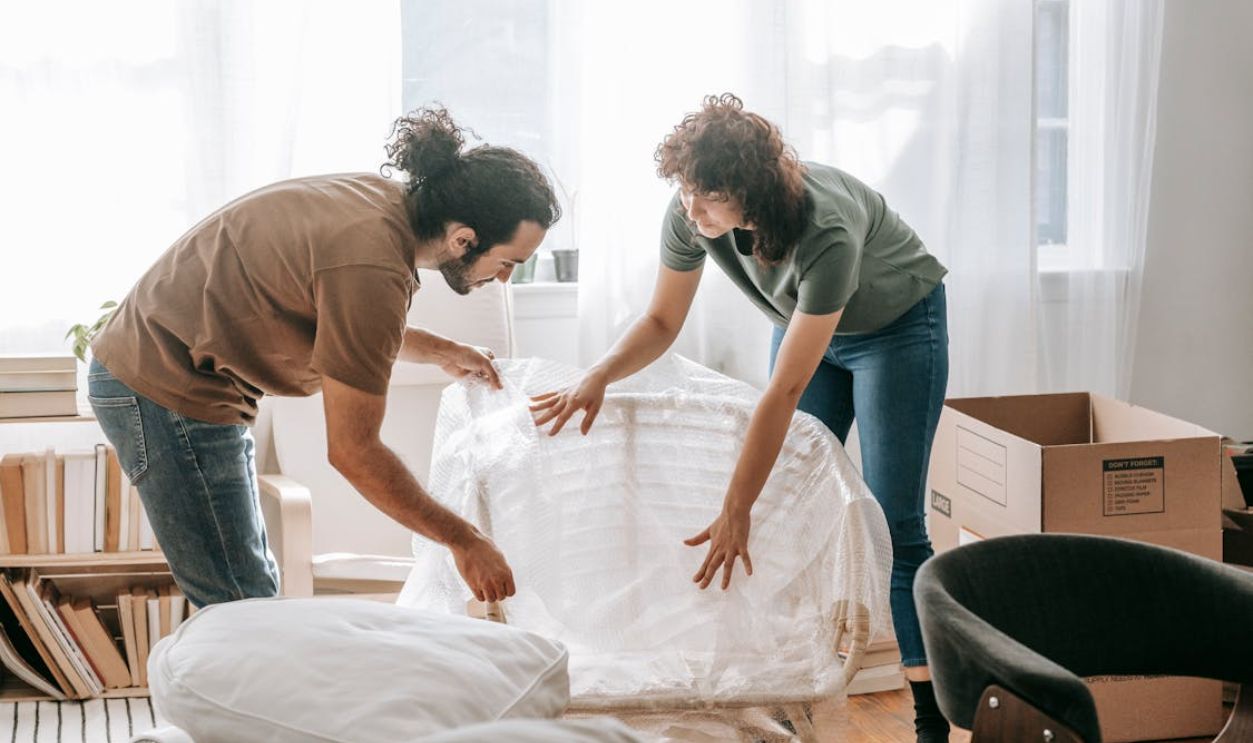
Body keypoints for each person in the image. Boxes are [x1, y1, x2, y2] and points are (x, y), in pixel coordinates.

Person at [530, 94, 950, 742]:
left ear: (749, 192)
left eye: (707, 196)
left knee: (894, 523)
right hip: (808, 324)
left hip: (895, 329)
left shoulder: (825, 228)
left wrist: (734, 504)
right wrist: (596, 376)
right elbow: (661, 320)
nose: (689, 210)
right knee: (784, 507)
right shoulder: (688, 212)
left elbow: (782, 391)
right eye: (684, 191)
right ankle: (784, 684)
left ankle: (928, 714)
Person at [89, 107, 559, 611]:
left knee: (248, 595)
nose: (506, 278)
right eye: (508, 262)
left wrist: (444, 351)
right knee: (240, 607)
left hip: (176, 377)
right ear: (463, 238)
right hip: (163, 387)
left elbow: (351, 325)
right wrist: (464, 539)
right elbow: (354, 450)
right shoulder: (370, 263)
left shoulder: (382, 208)